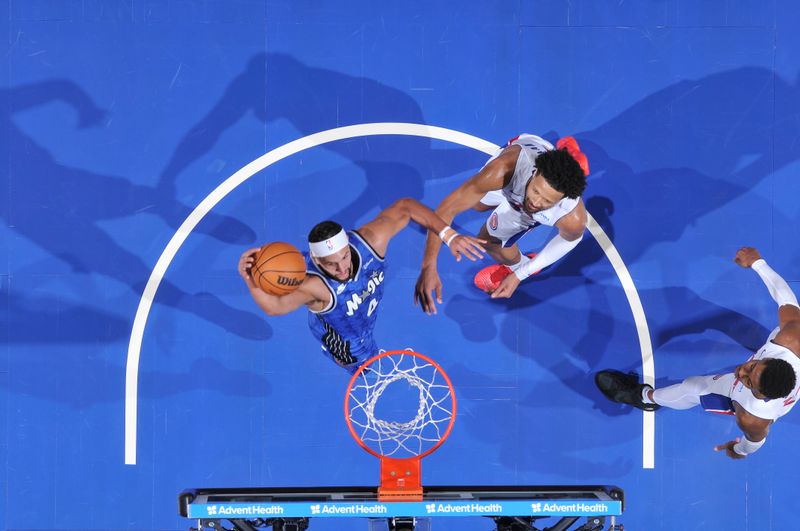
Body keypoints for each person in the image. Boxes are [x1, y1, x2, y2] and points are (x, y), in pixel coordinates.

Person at [595, 247, 800, 459]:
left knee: (693, 387)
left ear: (761, 394)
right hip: (780, 366)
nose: (740, 372)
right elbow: (786, 298)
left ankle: (645, 397)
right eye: (752, 366)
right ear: (768, 359)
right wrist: (759, 263)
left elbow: (755, 441)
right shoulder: (792, 339)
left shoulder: (751, 416)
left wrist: (738, 450)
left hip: (748, 396)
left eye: (748, 381)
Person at [238, 197, 485, 373]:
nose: (342, 267)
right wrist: (249, 278)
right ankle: (339, 357)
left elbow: (406, 206)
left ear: (349, 243)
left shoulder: (371, 240)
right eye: (331, 264)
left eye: (344, 256)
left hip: (366, 309)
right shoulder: (314, 286)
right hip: (346, 336)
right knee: (362, 367)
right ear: (315, 260)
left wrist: (448, 236)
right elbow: (275, 307)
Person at [413, 134, 589, 314]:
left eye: (547, 200)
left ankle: (518, 264)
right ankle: (570, 152)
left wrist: (520, 274)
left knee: (488, 242)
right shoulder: (501, 169)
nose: (537, 202)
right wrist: (428, 265)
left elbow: (569, 240)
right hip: (519, 167)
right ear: (535, 171)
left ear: (562, 198)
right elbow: (445, 210)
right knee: (477, 203)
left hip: (521, 205)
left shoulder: (571, 216)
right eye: (536, 191)